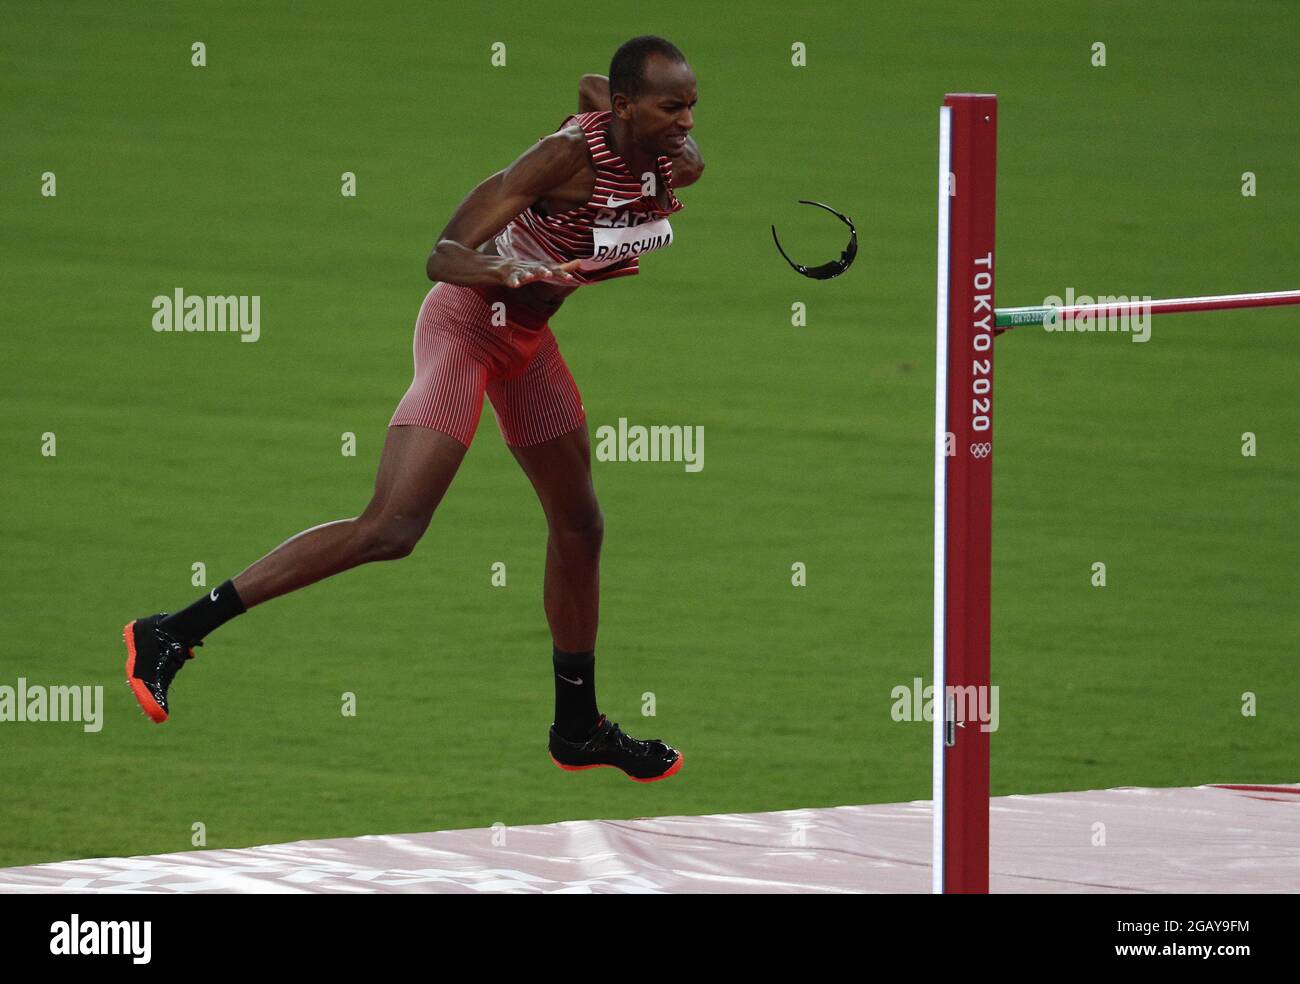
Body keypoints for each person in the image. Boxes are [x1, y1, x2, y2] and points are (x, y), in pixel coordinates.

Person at [123, 35, 703, 783]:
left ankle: (578, 726)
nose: (687, 123)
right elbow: (443, 252)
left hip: (526, 338)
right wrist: (508, 265)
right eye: (671, 107)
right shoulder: (562, 160)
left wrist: (659, 134)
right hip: (467, 321)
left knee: (580, 523)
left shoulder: (664, 154)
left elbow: (595, 81)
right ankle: (170, 630)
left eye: (691, 105)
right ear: (630, 108)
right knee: (393, 527)